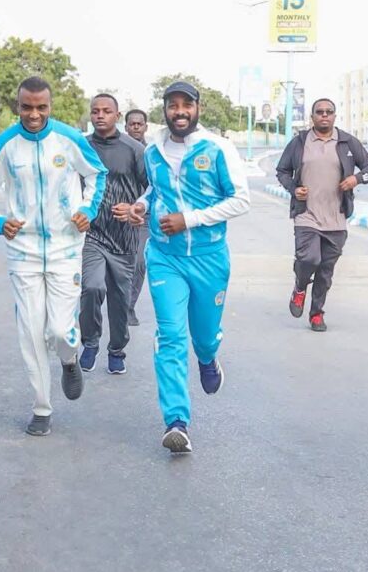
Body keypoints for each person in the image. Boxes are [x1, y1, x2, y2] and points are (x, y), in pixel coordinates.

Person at [0, 76, 107, 436]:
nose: (34, 115)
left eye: (41, 107)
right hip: (24, 252)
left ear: (50, 106)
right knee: (31, 332)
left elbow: (97, 174)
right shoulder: (5, 145)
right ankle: (41, 407)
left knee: (60, 330)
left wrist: (88, 209)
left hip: (66, 248)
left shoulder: (68, 138)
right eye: (27, 107)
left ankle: (69, 357)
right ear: (17, 106)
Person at [127, 81, 249, 455]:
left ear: (198, 108)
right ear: (164, 109)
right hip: (165, 256)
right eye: (173, 105)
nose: (180, 112)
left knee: (204, 336)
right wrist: (142, 205)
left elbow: (240, 200)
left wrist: (189, 219)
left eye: (187, 105)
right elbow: (156, 190)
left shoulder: (217, 149)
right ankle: (176, 421)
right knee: (170, 335)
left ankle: (208, 358)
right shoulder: (153, 151)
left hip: (209, 257)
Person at [275, 97, 368, 331]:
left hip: (336, 218)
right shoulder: (300, 142)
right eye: (319, 112)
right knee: (309, 259)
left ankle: (316, 314)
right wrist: (294, 189)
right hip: (306, 214)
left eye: (329, 112)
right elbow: (282, 171)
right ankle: (300, 286)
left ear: (334, 116)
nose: (324, 115)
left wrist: (356, 179)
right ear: (312, 117)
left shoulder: (347, 142)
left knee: (325, 271)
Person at [79, 94, 150, 376]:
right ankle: (90, 342)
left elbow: (151, 189)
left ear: (117, 116)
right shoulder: (81, 147)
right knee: (92, 287)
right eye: (95, 111)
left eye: (106, 111)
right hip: (92, 235)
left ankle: (117, 350)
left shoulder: (134, 149)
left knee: (120, 300)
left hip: (125, 236)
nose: (100, 116)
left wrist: (135, 208)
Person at [124, 108, 151, 326]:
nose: (135, 127)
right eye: (131, 124)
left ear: (145, 127)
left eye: (139, 124)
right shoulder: (119, 150)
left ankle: (128, 307)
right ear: (125, 127)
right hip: (119, 215)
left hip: (144, 217)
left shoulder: (153, 154)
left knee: (139, 262)